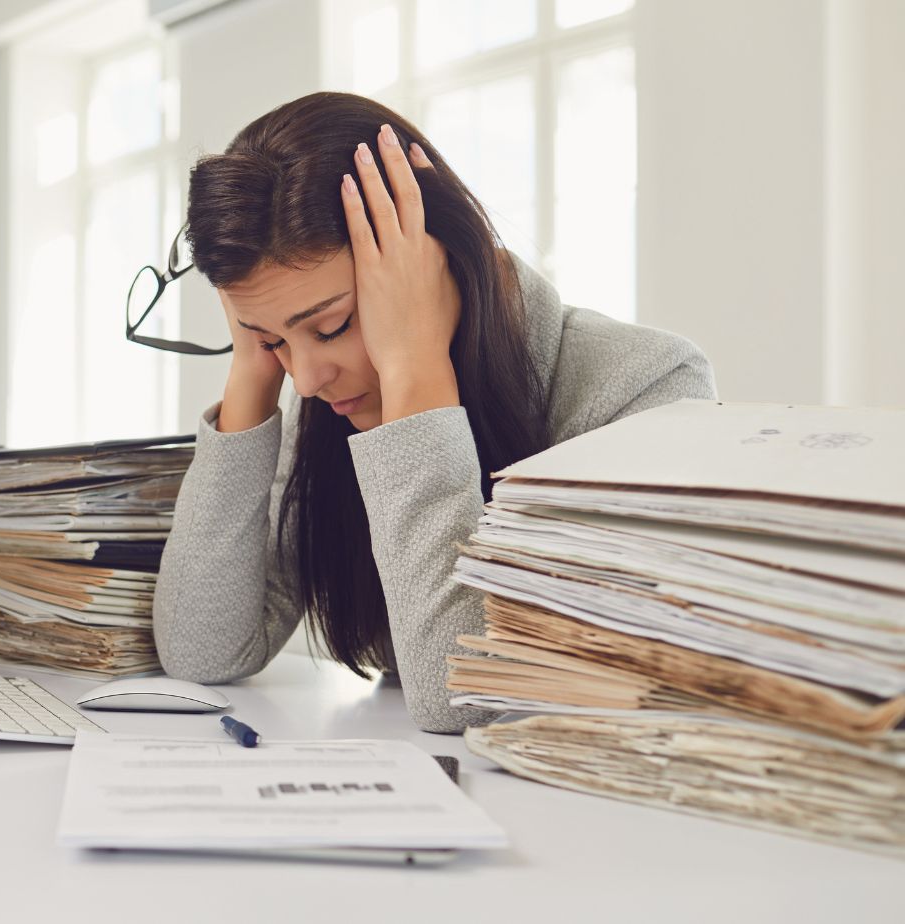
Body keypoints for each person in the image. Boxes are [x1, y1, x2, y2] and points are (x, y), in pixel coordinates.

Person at [143, 92, 716, 734]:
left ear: (434, 262)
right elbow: (201, 650)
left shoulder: (645, 389)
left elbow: (465, 699)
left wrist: (415, 370)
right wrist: (252, 368)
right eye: (274, 341)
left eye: (332, 326)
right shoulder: (331, 397)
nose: (304, 381)